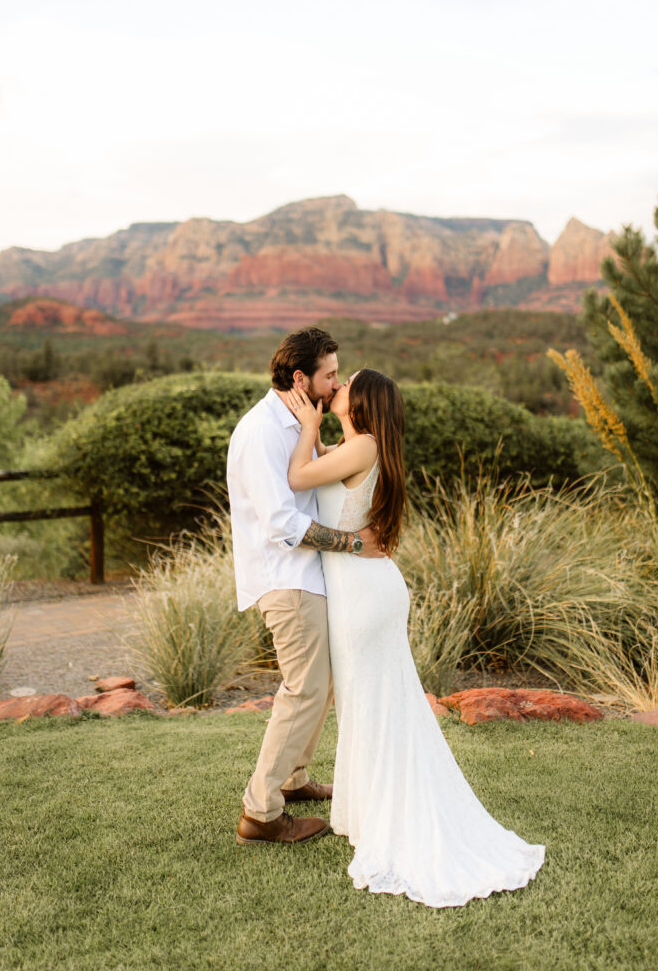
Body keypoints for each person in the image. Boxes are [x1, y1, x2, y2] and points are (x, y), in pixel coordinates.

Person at [286, 368, 545, 908]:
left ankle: (390, 819)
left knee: (377, 704)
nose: (339, 386)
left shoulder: (362, 447)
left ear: (364, 401)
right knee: (368, 703)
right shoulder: (356, 446)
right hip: (363, 589)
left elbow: (296, 479)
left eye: (347, 381)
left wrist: (308, 424)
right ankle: (366, 813)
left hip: (364, 595)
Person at [226, 328, 385, 846]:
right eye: (330, 374)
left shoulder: (295, 423)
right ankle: (262, 812)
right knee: (305, 687)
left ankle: (292, 780)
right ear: (301, 378)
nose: (337, 382)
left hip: (308, 578)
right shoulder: (262, 432)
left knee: (322, 684)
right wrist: (356, 544)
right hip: (287, 580)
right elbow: (283, 525)